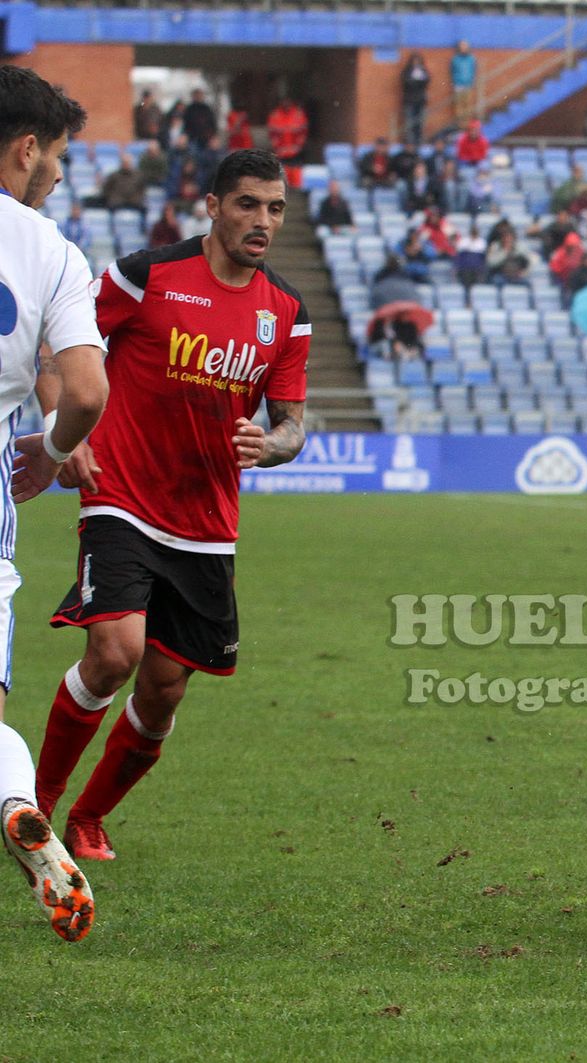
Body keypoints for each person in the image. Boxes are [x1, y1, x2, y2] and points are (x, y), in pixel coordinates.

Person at [32, 149, 310, 867]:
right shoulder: (146, 275)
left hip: (206, 523)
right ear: (212, 207)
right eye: (247, 204)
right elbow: (54, 345)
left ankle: (89, 817)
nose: (263, 220)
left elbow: (293, 425)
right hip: (121, 494)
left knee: (162, 691)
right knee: (114, 652)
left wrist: (271, 444)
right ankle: (35, 808)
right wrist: (65, 430)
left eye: (275, 208)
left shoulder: (286, 312)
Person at [0, 64, 110, 944]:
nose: (61, 174)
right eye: (59, 156)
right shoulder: (51, 251)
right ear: (25, 149)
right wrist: (55, 445)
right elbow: (86, 390)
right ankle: (14, 800)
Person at [266, 97, 308, 188]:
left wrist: (299, 145)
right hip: (281, 150)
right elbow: (272, 133)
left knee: (296, 171)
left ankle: (296, 188)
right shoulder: (275, 115)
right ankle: (284, 188)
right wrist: (276, 146)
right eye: (284, 102)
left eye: (288, 101)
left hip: (295, 150)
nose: (286, 104)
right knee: (282, 172)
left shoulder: (298, 114)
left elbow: (303, 131)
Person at [401, 53, 431, 147]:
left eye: (418, 61)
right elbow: (407, 82)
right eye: (415, 61)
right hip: (410, 100)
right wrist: (417, 82)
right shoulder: (407, 71)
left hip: (420, 100)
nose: (416, 63)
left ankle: (419, 141)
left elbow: (427, 80)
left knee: (420, 122)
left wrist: (416, 82)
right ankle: (410, 142)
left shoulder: (423, 71)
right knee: (410, 122)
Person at [451, 40, 477, 126]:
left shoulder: (471, 59)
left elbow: (473, 70)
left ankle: (467, 123)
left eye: (465, 46)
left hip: (468, 84)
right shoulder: (455, 59)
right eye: (462, 46)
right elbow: (452, 71)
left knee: (468, 104)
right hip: (458, 84)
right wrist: (455, 81)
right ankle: (460, 124)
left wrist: (472, 81)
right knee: (459, 105)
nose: (463, 48)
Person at [454, 220, 488, 287]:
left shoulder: (482, 242)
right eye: (473, 231)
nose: (474, 233)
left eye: (475, 232)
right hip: (465, 267)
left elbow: (483, 257)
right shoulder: (463, 241)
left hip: (477, 267)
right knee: (466, 274)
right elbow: (459, 255)